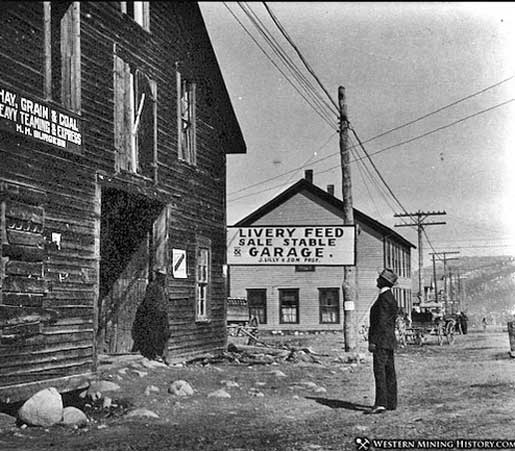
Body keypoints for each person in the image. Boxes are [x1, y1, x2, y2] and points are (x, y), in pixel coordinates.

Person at [367, 268, 399, 414]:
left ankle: (381, 403)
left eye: (379, 278)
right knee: (389, 371)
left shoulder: (383, 299)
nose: (376, 280)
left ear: (383, 281)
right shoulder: (390, 298)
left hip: (380, 341)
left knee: (380, 371)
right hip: (389, 340)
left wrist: (373, 341)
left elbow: (380, 322)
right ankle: (391, 402)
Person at [132, 268, 171, 364]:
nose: (162, 278)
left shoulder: (163, 288)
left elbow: (164, 302)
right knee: (155, 335)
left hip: (162, 314)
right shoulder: (153, 286)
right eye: (160, 275)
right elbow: (149, 302)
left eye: (163, 276)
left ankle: (161, 354)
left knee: (165, 333)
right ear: (157, 276)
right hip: (154, 315)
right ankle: (154, 355)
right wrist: (154, 311)